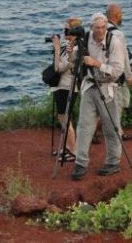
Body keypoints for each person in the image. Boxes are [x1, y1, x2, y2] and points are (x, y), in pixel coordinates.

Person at [72, 13, 125, 180]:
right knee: (84, 126)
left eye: (104, 27)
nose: (101, 31)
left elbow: (117, 71)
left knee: (111, 127)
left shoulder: (114, 42)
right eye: (98, 28)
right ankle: (80, 163)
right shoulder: (85, 39)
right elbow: (75, 61)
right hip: (89, 86)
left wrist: (97, 64)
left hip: (108, 88)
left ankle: (113, 162)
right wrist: (72, 53)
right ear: (91, 28)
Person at [51, 17, 82, 162]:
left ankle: (73, 150)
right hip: (61, 87)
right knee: (62, 117)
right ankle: (68, 147)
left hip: (67, 87)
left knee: (65, 119)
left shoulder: (75, 49)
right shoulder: (68, 46)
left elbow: (58, 68)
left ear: (72, 31)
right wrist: (58, 49)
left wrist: (57, 50)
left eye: (65, 29)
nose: (63, 32)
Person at [106, 3, 132, 141]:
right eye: (121, 14)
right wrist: (129, 76)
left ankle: (117, 130)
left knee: (109, 103)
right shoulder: (118, 34)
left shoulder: (100, 30)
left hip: (103, 72)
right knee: (120, 102)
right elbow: (124, 57)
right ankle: (118, 133)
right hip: (117, 74)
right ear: (117, 16)